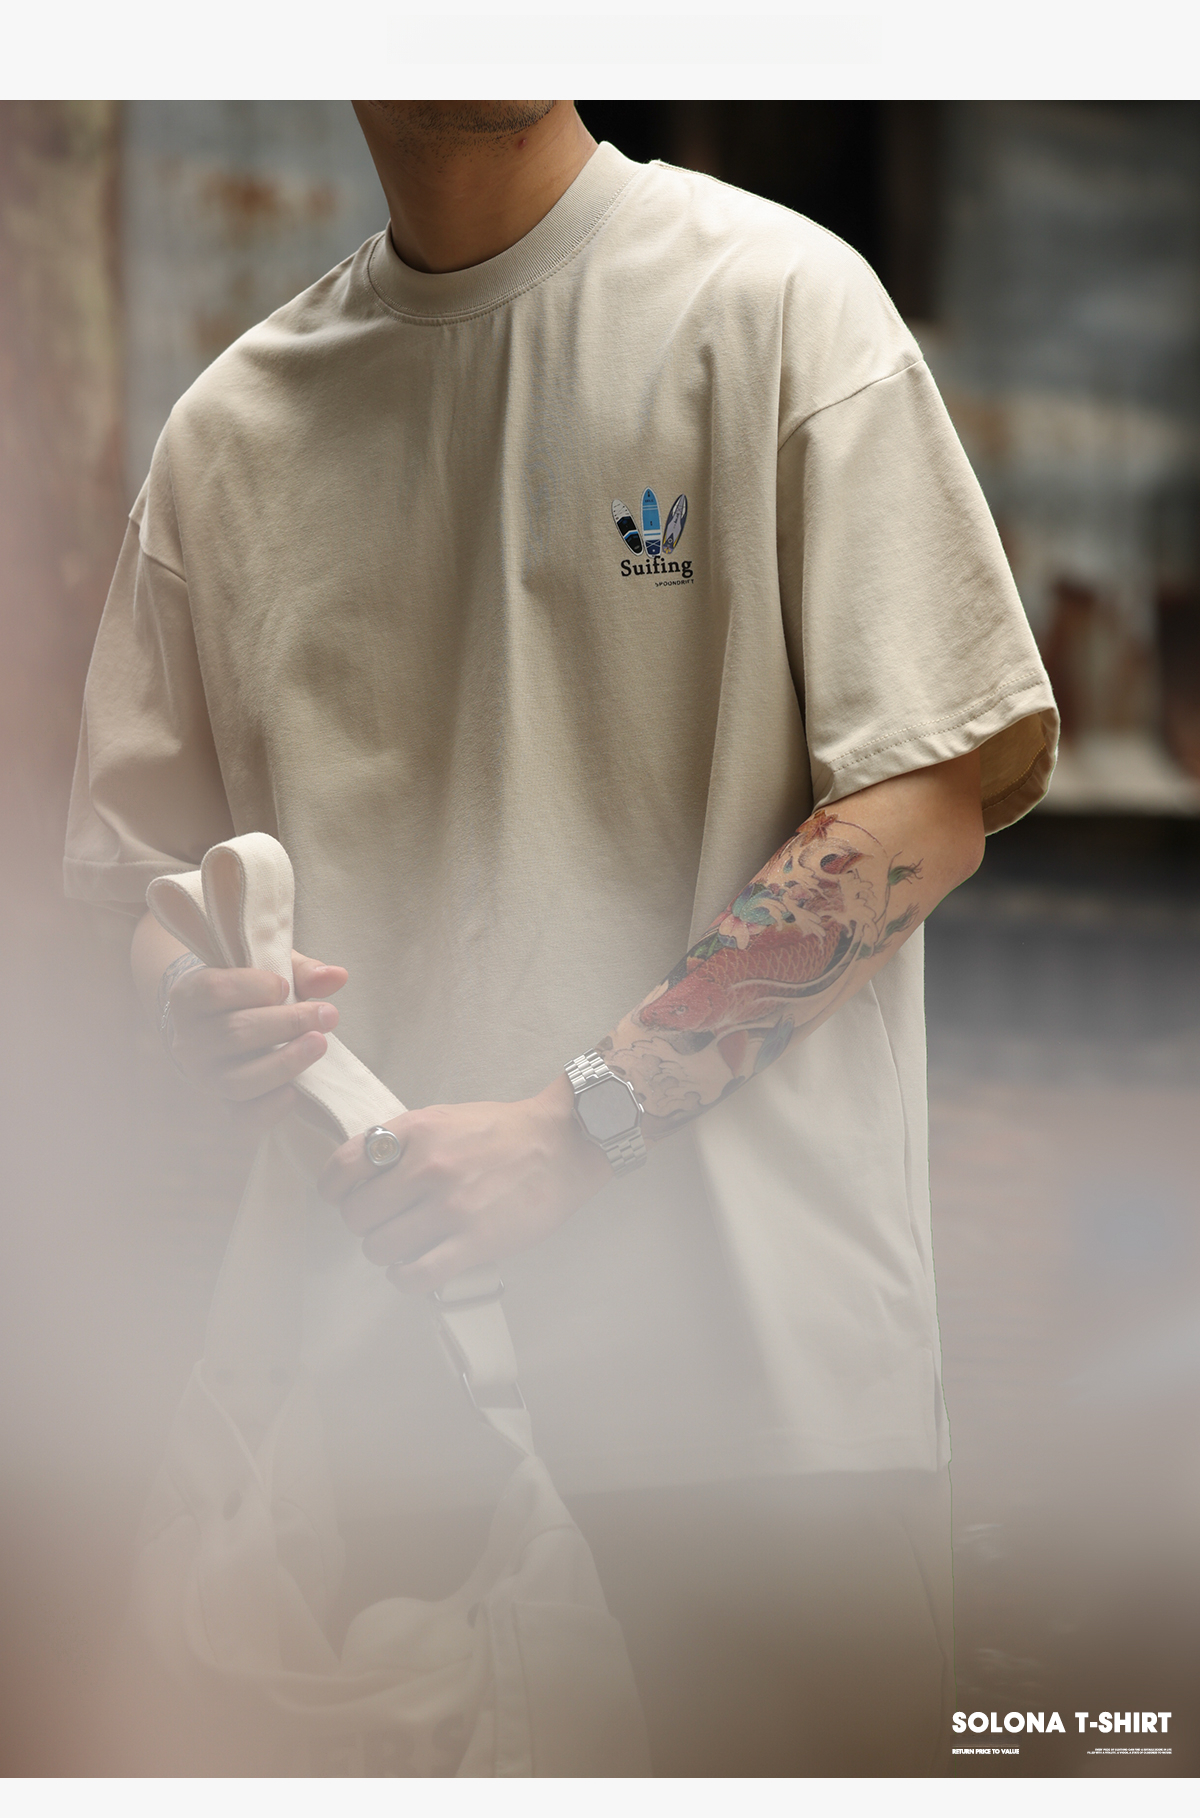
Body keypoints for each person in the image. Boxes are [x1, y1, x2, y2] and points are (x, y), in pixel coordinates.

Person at [65, 101, 1058, 1775]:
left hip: (753, 1419)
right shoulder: (230, 436)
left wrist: (578, 1121)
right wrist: (188, 1002)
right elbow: (128, 888)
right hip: (376, 1436)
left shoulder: (777, 306)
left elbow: (923, 806)